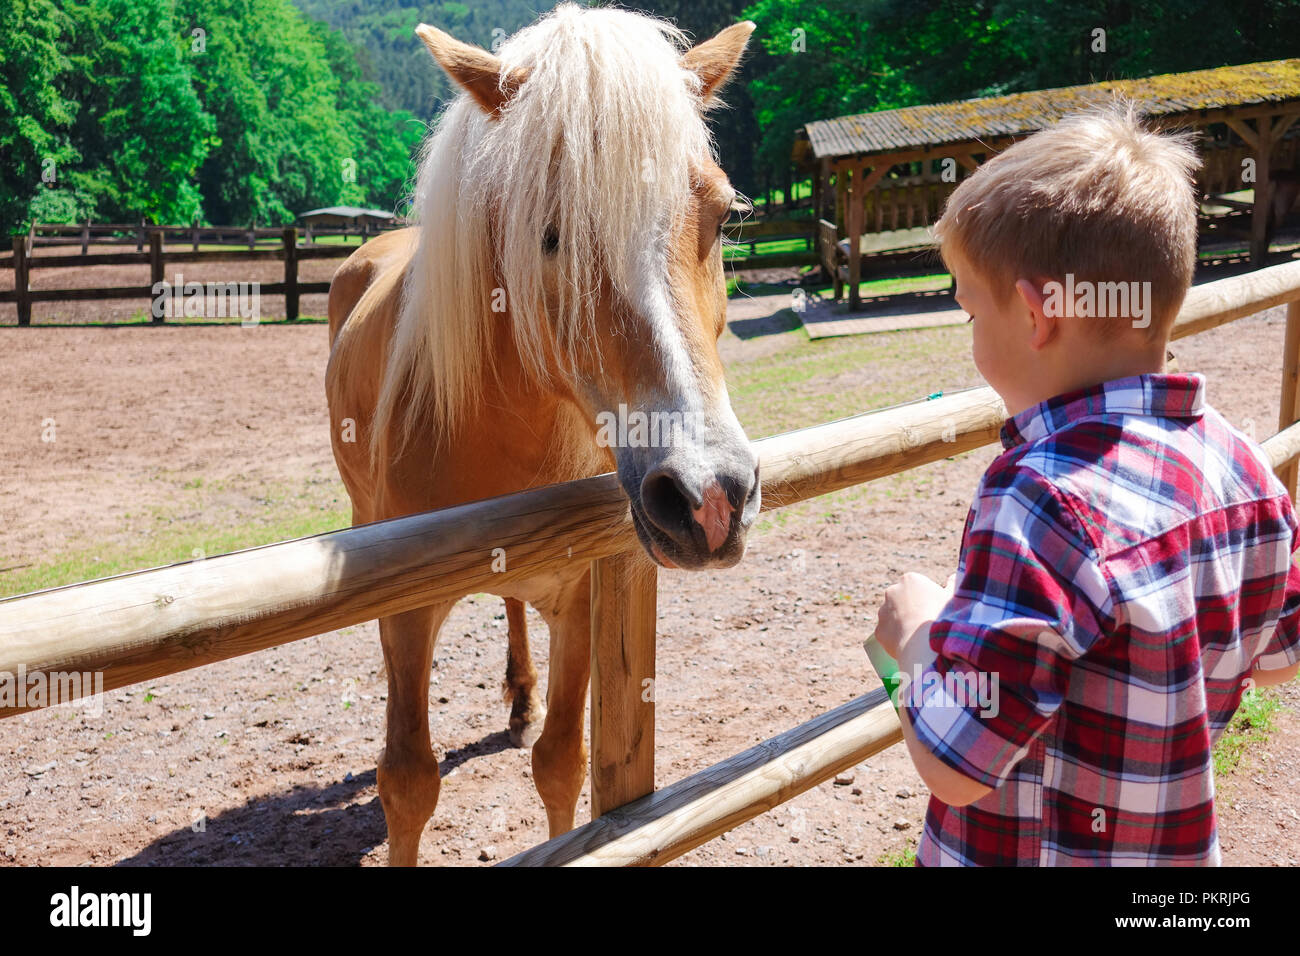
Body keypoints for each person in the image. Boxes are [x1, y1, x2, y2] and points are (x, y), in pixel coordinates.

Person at [871, 103, 1300, 866]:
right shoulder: (1246, 472)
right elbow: (1277, 656)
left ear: (1035, 315)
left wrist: (907, 643)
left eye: (970, 308)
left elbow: (957, 764)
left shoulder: (1039, 501)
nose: (970, 334)